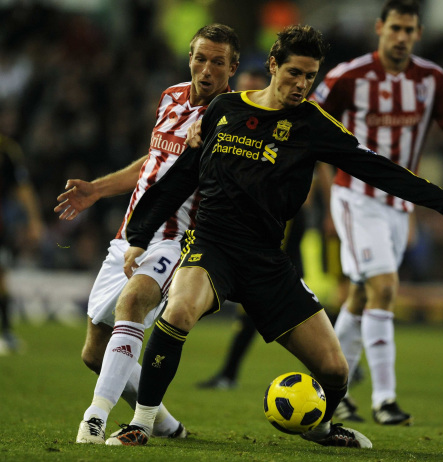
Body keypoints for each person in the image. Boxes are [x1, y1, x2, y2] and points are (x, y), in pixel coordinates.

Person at [106, 24, 443, 449]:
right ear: (273, 65)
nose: (301, 84)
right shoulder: (224, 109)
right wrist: (140, 234)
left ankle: (321, 427)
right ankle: (142, 423)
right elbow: (180, 176)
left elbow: (374, 166)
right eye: (294, 72)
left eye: (309, 76)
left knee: (335, 370)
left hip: (266, 261)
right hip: (211, 246)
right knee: (179, 310)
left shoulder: (312, 123)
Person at [310, 0, 443, 425]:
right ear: (380, 28)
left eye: (409, 30)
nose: (401, 37)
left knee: (361, 296)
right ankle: (385, 399)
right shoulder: (348, 77)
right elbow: (310, 125)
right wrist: (319, 195)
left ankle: (329, 390)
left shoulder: (431, 79)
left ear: (418, 33)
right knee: (385, 287)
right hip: (355, 196)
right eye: (394, 28)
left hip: (399, 203)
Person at [54, 24, 240, 444]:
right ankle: (167, 424)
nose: (206, 69)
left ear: (233, 67)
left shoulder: (233, 113)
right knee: (94, 353)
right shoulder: (171, 97)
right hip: (132, 232)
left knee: (134, 299)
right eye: (200, 58)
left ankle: (95, 417)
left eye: (217, 62)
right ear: (189, 58)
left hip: (178, 237)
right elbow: (153, 162)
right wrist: (96, 190)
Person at [195, 67, 271, 390]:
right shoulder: (224, 115)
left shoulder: (280, 122)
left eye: (256, 89)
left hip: (273, 227)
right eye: (245, 89)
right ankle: (228, 373)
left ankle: (229, 372)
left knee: (261, 300)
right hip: (226, 225)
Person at [0, 134, 44, 355]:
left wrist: (34, 220)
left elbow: (22, 187)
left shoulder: (6, 150)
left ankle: (6, 332)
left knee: (1, 276)